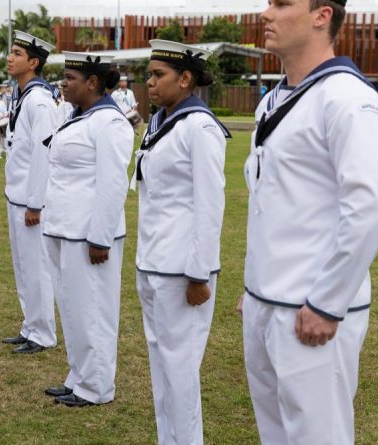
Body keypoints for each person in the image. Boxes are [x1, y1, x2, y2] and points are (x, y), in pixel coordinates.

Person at [239, 1, 378, 444]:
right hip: (266, 301)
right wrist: (255, 288)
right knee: (275, 433)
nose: (266, 14)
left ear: (322, 15)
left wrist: (328, 302)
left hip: (314, 311)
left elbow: (370, 205)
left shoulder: (348, 97)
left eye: (282, 3)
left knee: (317, 436)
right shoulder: (274, 99)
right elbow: (277, 201)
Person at [133, 40, 231, 444]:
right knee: (162, 367)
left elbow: (210, 205)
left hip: (181, 270)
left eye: (159, 75)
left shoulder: (200, 128)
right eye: (149, 74)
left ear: (185, 79)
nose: (150, 82)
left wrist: (198, 273)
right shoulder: (160, 122)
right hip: (152, 262)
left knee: (181, 371)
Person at [41, 52, 134, 407]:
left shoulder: (109, 122)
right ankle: (79, 377)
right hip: (63, 229)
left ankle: (96, 387)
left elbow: (113, 185)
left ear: (92, 83)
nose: (63, 84)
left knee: (94, 312)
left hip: (89, 236)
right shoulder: (79, 117)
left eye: (69, 78)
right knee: (73, 309)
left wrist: (100, 237)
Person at [2, 30, 60, 354]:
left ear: (33, 62)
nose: (9, 58)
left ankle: (43, 333)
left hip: (31, 199)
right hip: (18, 194)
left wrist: (36, 203)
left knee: (36, 266)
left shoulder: (39, 100)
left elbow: (44, 154)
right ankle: (30, 325)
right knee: (23, 266)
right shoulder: (22, 94)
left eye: (17, 54)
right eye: (10, 52)